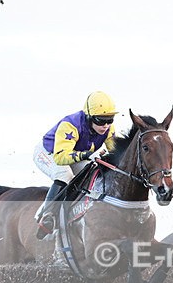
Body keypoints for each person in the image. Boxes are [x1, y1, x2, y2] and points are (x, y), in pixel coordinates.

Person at [34, 91, 118, 239]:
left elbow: (115, 152)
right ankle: (47, 216)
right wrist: (85, 155)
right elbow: (60, 157)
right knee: (65, 175)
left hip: (73, 154)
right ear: (89, 116)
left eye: (109, 120)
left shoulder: (108, 129)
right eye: (100, 120)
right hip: (50, 152)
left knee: (93, 173)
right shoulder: (70, 125)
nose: (105, 125)